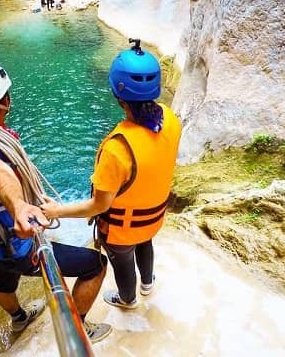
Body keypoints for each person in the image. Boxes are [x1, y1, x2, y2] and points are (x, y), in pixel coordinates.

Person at [0, 62, 112, 342]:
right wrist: (20, 207)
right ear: (6, 100)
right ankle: (79, 330)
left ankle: (19, 319)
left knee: (4, 279)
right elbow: (0, 172)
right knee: (96, 264)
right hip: (18, 243)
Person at [40, 40, 181, 310]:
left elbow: (99, 205)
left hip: (123, 229)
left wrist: (56, 211)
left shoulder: (117, 149)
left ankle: (128, 298)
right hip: (154, 217)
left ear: (118, 93)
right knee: (146, 243)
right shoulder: (170, 118)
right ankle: (148, 283)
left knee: (123, 261)